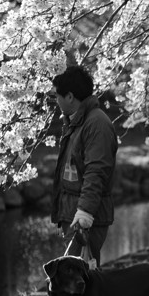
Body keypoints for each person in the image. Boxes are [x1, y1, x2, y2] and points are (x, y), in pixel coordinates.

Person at [49, 64, 118, 278]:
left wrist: (85, 213)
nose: (56, 101)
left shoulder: (95, 123)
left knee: (74, 278)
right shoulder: (77, 121)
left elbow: (96, 171)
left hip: (87, 217)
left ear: (70, 96)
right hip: (74, 213)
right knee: (80, 277)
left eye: (57, 96)